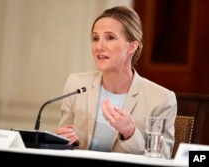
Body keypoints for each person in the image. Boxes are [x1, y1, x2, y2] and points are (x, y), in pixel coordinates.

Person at [54, 5, 177, 159]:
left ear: (132, 46)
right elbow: (62, 142)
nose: (99, 47)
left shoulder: (161, 99)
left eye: (110, 38)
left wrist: (130, 133)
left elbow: (162, 158)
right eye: (95, 38)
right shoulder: (76, 84)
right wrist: (59, 141)